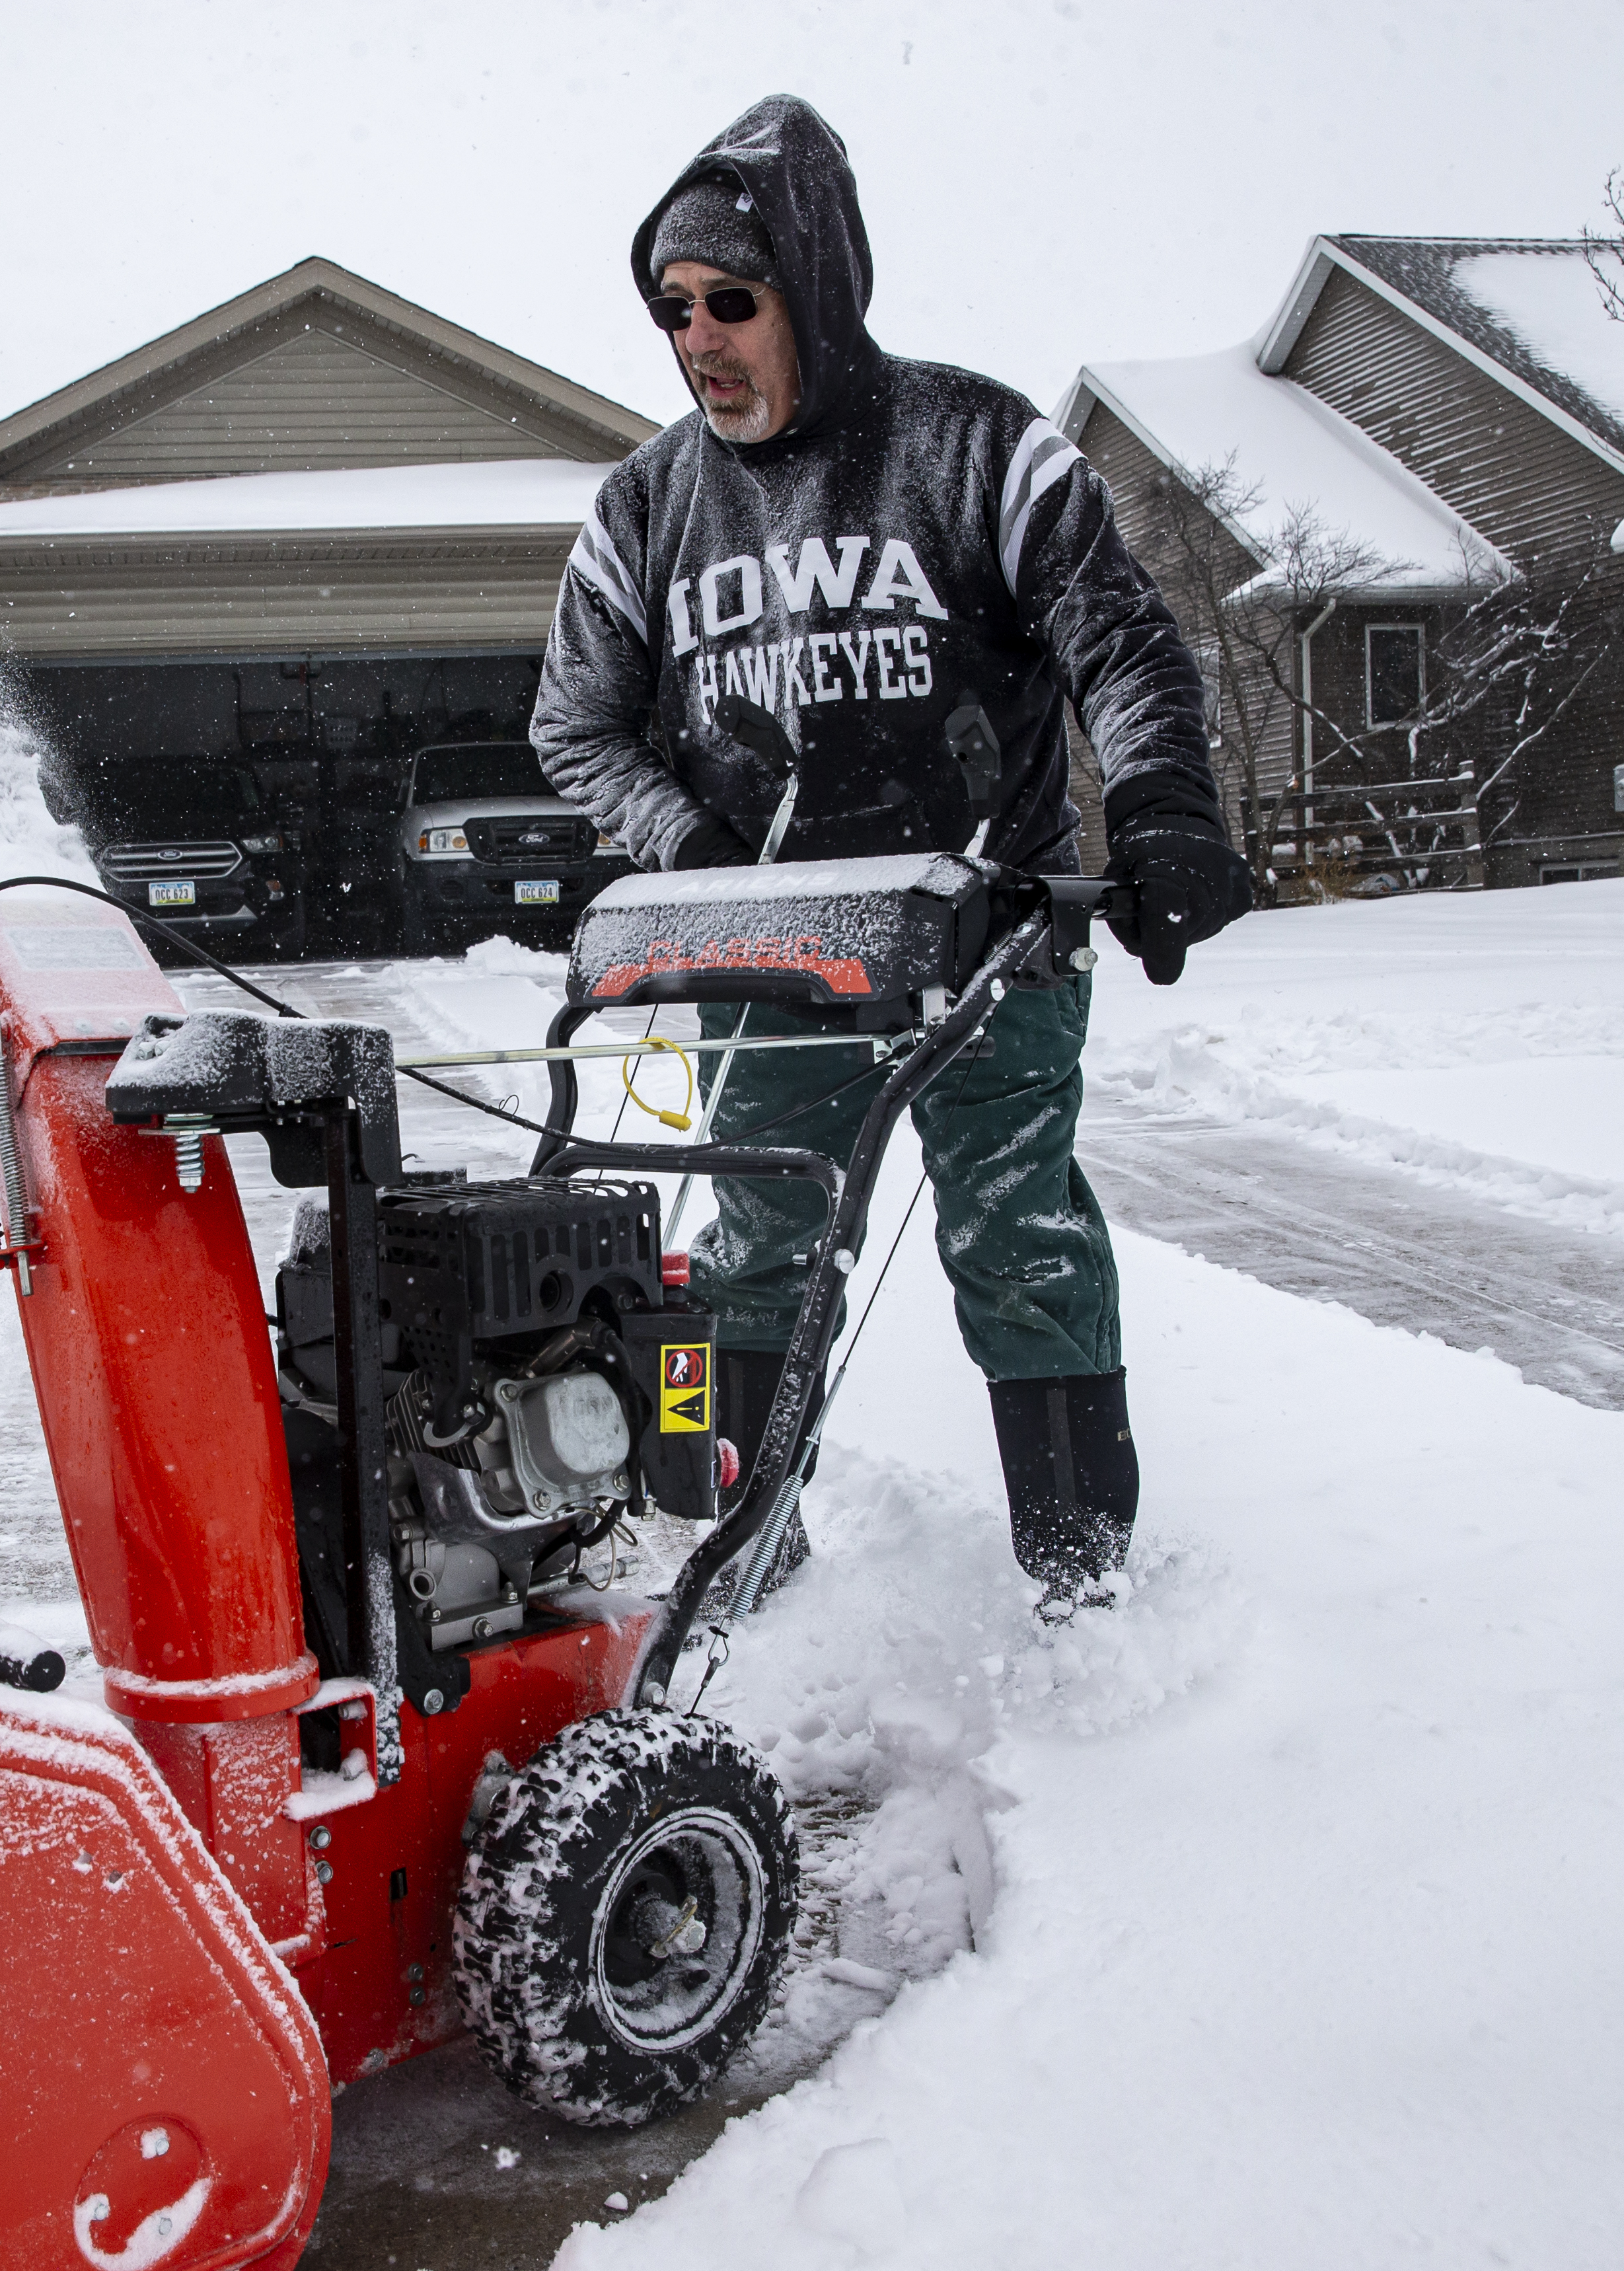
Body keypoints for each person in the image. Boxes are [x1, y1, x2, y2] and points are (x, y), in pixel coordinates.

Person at [531, 93, 1250, 1611]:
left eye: (736, 301)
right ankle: (747, 1580)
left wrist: (1168, 810)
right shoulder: (647, 504)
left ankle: (1082, 1593)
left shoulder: (980, 447)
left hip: (991, 939)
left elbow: (1118, 644)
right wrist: (694, 843)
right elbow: (574, 729)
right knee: (748, 1267)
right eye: (676, 311)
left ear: (818, 284)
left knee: (1023, 1242)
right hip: (776, 955)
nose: (701, 340)